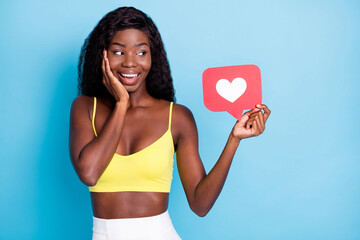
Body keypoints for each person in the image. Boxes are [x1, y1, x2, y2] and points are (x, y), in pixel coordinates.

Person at [69, 6, 271, 240]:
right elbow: (89, 174)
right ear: (102, 55)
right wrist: (122, 104)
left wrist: (234, 139)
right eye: (118, 52)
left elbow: (200, 204)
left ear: (153, 57)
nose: (130, 63)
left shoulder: (177, 118)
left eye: (141, 52)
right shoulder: (85, 108)